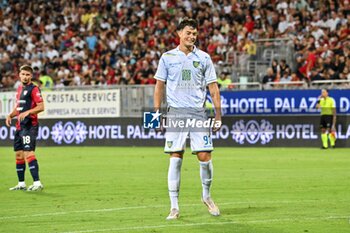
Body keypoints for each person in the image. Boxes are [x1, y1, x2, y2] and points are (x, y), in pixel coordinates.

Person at [153, 18, 222, 220]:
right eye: (188, 33)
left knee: (204, 156)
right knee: (175, 158)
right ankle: (174, 207)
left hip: (199, 113)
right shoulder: (167, 57)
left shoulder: (204, 58)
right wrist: (156, 115)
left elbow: (213, 88)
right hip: (175, 113)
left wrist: (218, 115)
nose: (192, 36)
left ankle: (207, 197)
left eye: (194, 33)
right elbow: (159, 86)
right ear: (179, 34)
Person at [5, 65, 45, 191]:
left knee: (29, 153)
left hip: (29, 126)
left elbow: (41, 107)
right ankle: (21, 183)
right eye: (23, 74)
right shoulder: (19, 89)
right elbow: (19, 107)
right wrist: (10, 115)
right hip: (19, 126)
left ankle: (37, 183)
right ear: (19, 75)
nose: (25, 77)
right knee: (18, 155)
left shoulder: (34, 89)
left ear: (31, 76)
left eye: (28, 75)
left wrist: (28, 112)